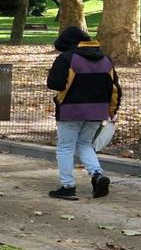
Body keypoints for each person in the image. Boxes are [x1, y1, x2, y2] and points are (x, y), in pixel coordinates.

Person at [46, 26, 121, 200]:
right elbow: (115, 88)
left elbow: (54, 84)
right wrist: (112, 111)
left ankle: (68, 186)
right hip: (97, 110)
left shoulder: (66, 58)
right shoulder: (106, 59)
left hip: (70, 110)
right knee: (85, 144)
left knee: (65, 147)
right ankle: (97, 175)